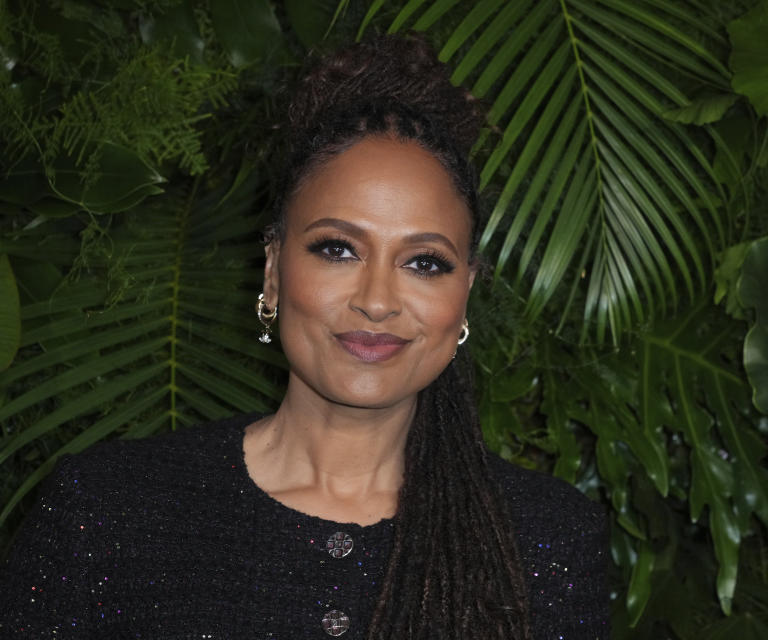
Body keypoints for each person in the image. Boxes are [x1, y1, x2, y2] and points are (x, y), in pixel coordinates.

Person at [0, 34, 608, 639]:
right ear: (273, 269)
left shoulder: (547, 539)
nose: (376, 300)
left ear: (465, 292)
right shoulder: (107, 511)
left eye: (424, 262)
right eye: (337, 249)